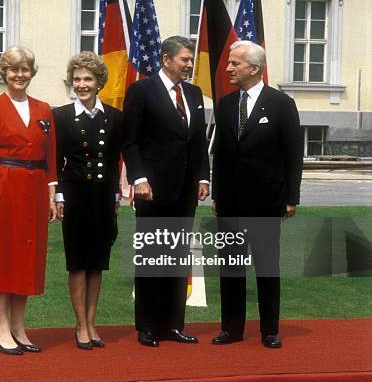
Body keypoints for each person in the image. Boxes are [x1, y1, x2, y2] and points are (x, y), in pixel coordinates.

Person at [211, 40, 303, 349]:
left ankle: (270, 330)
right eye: (229, 63)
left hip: (266, 200)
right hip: (230, 203)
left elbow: (293, 154)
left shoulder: (281, 104)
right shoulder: (225, 104)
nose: (228, 68)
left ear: (255, 68)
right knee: (231, 266)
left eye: (235, 63)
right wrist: (217, 195)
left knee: (266, 267)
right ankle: (232, 328)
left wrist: (292, 197)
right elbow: (221, 155)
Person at [122, 36, 210, 347]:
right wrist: (139, 178)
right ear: (166, 59)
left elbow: (198, 140)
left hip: (186, 189)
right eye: (185, 59)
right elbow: (129, 141)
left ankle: (173, 324)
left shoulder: (194, 92)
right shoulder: (141, 90)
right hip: (153, 190)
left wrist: (203, 178)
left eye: (190, 60)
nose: (189, 65)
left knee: (176, 257)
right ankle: (147, 326)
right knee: (151, 257)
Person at [0, 45, 58, 355]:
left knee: (27, 257)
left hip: (35, 191)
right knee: (2, 256)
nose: (19, 75)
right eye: (13, 69)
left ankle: (20, 327)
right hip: (3, 188)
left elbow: (51, 155)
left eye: (25, 69)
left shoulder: (44, 109)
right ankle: (1, 327)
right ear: (4, 72)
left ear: (32, 73)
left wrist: (52, 194)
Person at [53, 52, 125, 350]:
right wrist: (58, 195)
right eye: (77, 79)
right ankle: (80, 325)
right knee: (78, 263)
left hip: (103, 197)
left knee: (97, 263)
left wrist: (117, 194)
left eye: (88, 79)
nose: (82, 84)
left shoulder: (114, 117)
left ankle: (92, 322)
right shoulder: (61, 115)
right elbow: (55, 160)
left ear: (99, 83)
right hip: (75, 197)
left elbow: (115, 160)